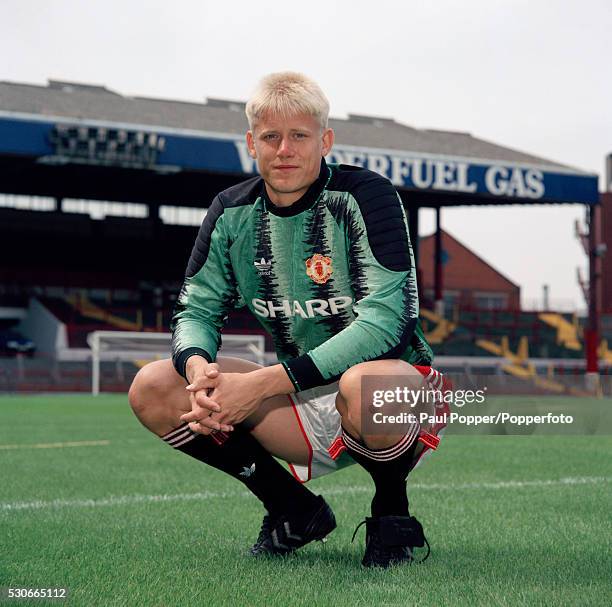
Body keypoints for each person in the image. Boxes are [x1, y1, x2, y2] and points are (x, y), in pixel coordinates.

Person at [128, 72, 449, 568]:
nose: (285, 150)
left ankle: (392, 515)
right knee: (153, 387)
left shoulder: (366, 196)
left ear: (325, 141)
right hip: (298, 397)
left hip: (395, 393)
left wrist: (262, 384)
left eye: (299, 136)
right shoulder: (231, 212)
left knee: (369, 387)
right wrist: (197, 370)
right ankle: (292, 509)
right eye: (271, 137)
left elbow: (390, 322)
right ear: (251, 143)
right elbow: (196, 309)